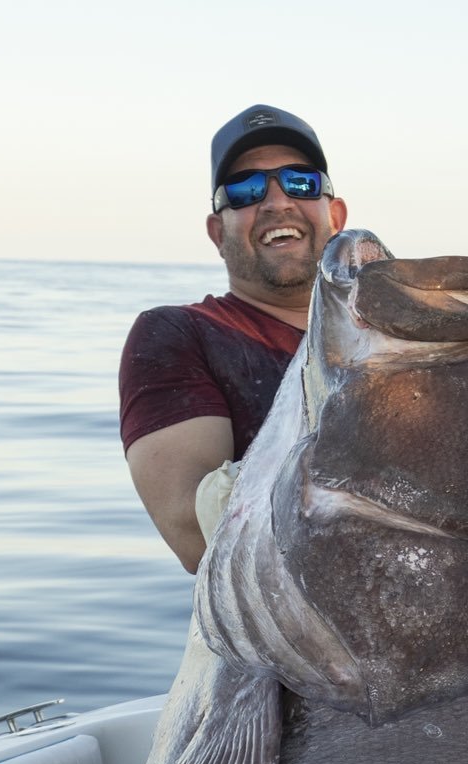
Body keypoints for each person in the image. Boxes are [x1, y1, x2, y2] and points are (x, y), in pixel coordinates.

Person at [119, 105, 348, 572]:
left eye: (300, 182)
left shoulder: (391, 337)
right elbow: (193, 532)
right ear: (216, 232)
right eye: (245, 191)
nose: (276, 202)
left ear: (337, 215)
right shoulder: (179, 335)